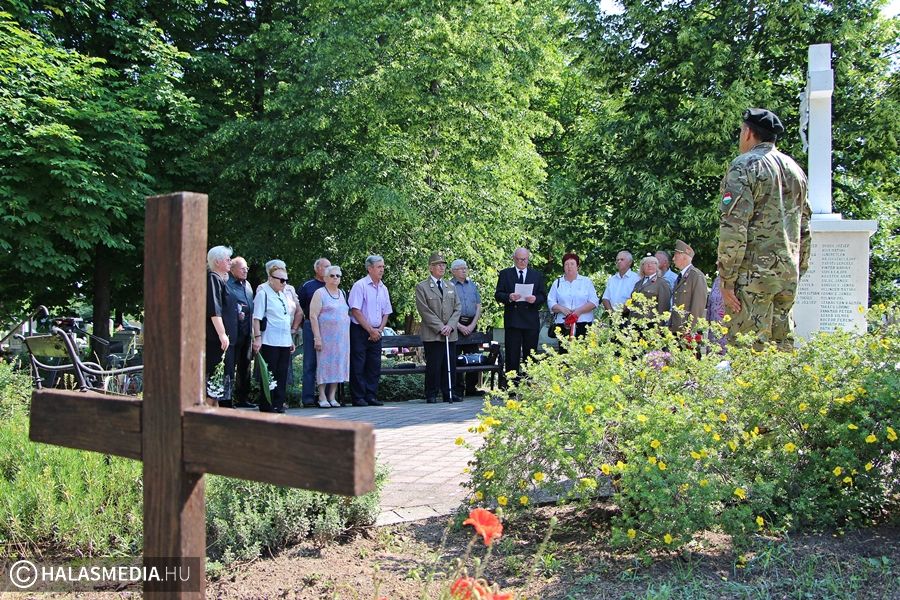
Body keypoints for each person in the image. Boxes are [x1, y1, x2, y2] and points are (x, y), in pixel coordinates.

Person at [718, 108, 810, 351]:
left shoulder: (744, 166)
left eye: (740, 131)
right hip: (787, 275)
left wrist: (727, 280)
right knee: (780, 352)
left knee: (748, 353)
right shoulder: (795, 170)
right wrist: (798, 269)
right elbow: (804, 227)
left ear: (748, 133)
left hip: (752, 277)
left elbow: (734, 227)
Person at [494, 247, 546, 382]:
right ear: (514, 259)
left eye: (524, 259)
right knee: (512, 354)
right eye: (519, 259)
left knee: (531, 354)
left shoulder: (536, 275)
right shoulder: (506, 274)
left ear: (528, 259)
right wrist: (509, 297)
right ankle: (512, 386)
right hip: (513, 319)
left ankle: (530, 384)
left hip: (530, 320)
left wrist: (535, 299)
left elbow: (543, 296)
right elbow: (498, 294)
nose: (522, 262)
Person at [415, 253, 462, 404]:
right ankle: (431, 393)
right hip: (433, 334)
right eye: (438, 264)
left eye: (443, 265)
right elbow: (424, 310)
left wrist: (450, 326)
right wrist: (441, 327)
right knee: (434, 365)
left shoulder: (450, 286)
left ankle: (449, 392)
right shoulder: (422, 287)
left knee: (450, 364)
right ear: (431, 268)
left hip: (450, 333)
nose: (442, 267)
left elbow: (457, 307)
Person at [348, 255, 392, 407]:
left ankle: (371, 396)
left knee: (374, 365)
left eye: (383, 267)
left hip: (376, 332)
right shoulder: (360, 286)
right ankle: (358, 397)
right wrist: (370, 330)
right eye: (379, 267)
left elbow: (386, 312)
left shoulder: (383, 287)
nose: (382, 269)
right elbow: (355, 310)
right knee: (358, 364)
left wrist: (378, 330)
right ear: (370, 268)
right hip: (360, 330)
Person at [251, 263, 296, 413]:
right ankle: (267, 403)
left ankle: (278, 402)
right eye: (281, 280)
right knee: (269, 372)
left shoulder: (282, 295)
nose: (284, 283)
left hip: (283, 340)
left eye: (286, 280)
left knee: (282, 372)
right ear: (271, 279)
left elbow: (285, 318)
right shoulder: (263, 293)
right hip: (269, 340)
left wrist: (290, 339)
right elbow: (256, 318)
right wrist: (257, 338)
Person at [309, 265, 350, 408]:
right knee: (324, 366)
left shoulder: (342, 293)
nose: (335, 278)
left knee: (338, 366)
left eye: (338, 276)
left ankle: (332, 396)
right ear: (325, 278)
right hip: (326, 338)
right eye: (332, 275)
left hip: (341, 339)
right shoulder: (320, 293)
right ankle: (322, 396)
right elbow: (313, 316)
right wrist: (317, 337)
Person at [547, 252, 599, 350]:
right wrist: (562, 309)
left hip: (584, 324)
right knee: (564, 355)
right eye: (566, 264)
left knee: (583, 355)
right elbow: (550, 302)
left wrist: (578, 311)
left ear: (577, 266)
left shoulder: (586, 281)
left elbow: (594, 301)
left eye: (572, 264)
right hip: (563, 325)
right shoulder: (557, 283)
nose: (569, 267)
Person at [298, 258, 331, 407]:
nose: (330, 270)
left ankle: (329, 397)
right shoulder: (308, 286)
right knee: (310, 363)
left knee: (329, 363)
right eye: (326, 266)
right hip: (311, 326)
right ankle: (308, 398)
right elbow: (300, 306)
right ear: (317, 269)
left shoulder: (333, 286)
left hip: (330, 330)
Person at [206, 245, 236, 405]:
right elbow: (214, 309)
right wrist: (222, 334)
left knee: (219, 381)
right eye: (228, 259)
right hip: (215, 339)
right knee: (214, 379)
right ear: (217, 262)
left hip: (224, 339)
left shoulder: (220, 279)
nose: (231, 262)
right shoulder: (213, 278)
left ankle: (214, 412)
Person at [225, 256, 257, 408]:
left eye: (247, 268)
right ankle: (226, 399)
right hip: (232, 332)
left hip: (246, 332)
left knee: (245, 366)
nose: (246, 270)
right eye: (242, 268)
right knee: (229, 366)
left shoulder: (248, 285)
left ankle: (243, 398)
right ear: (232, 269)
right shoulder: (227, 283)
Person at [450, 259, 483, 397]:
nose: (464, 270)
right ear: (453, 271)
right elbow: (446, 310)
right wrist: (459, 326)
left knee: (473, 356)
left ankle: (471, 387)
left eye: (465, 268)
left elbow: (479, 306)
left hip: (471, 324)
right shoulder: (449, 286)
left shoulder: (472, 286)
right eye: (460, 268)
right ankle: (457, 388)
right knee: (456, 357)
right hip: (455, 325)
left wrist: (472, 325)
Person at [668, 240, 708, 335]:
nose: (673, 259)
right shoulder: (681, 276)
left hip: (687, 330)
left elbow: (698, 306)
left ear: (684, 257)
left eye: (676, 255)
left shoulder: (696, 276)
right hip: (676, 328)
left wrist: (691, 330)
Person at [628, 255, 671, 324]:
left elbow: (664, 307)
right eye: (646, 263)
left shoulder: (662, 283)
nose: (650, 265)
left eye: (653, 263)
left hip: (651, 324)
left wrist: (659, 326)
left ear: (657, 267)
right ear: (642, 267)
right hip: (635, 324)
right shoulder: (638, 284)